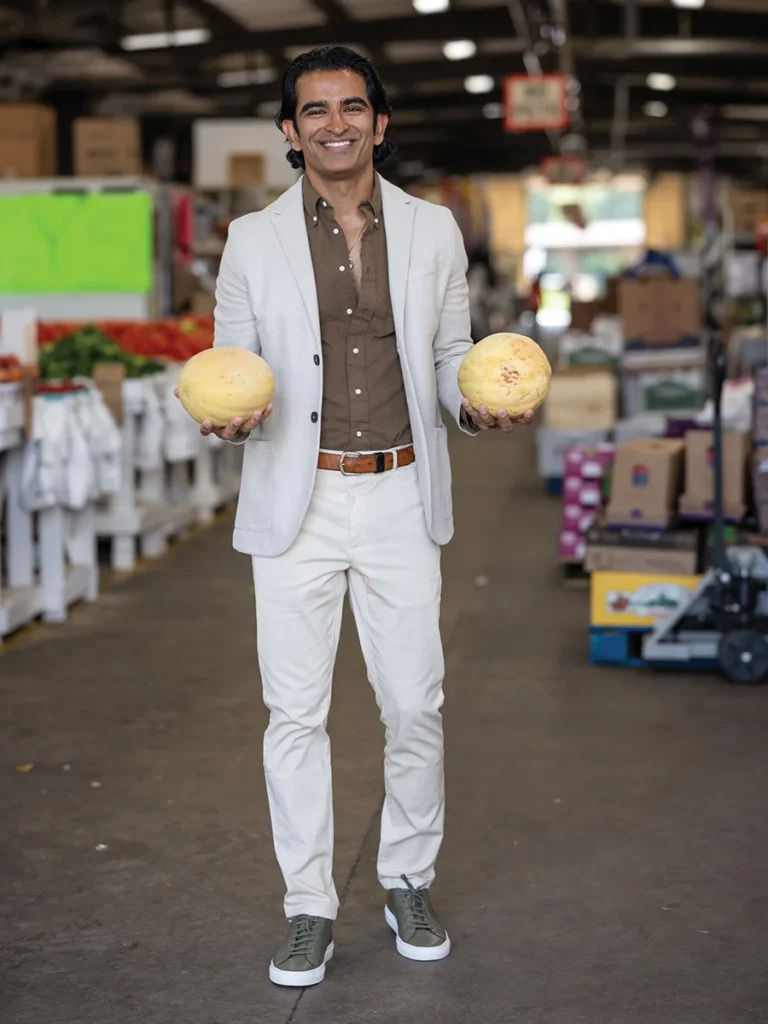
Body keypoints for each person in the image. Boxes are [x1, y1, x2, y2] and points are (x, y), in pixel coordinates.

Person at [178, 45, 534, 987]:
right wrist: (228, 417)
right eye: (314, 111)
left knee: (415, 703)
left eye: (352, 107)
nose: (335, 123)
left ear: (380, 122)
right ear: (291, 134)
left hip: (399, 494)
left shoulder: (435, 231)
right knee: (294, 713)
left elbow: (454, 358)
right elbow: (232, 366)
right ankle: (308, 907)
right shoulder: (252, 239)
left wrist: (479, 406)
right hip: (297, 497)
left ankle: (407, 877)